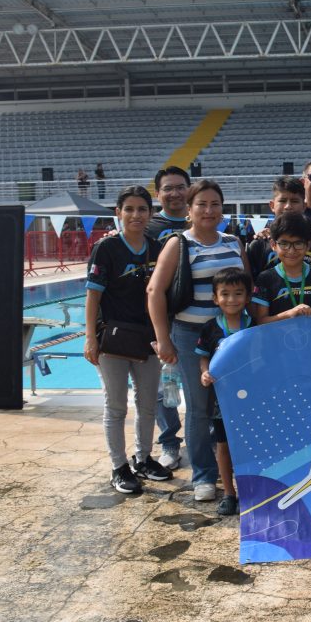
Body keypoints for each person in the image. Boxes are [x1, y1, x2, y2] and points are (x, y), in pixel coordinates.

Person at [147, 180, 250, 504]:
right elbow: (154, 291)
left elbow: (248, 287)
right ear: (189, 210)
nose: (208, 210)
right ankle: (204, 475)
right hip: (192, 335)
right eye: (201, 204)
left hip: (231, 336)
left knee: (237, 403)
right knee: (200, 407)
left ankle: (236, 469)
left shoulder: (233, 242)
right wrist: (163, 338)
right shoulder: (179, 244)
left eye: (215, 204)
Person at [83, 185, 172, 494]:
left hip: (147, 338)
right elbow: (93, 296)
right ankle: (118, 466)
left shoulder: (157, 248)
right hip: (113, 340)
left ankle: (143, 459)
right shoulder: (106, 248)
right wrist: (90, 338)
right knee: (116, 406)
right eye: (129, 209)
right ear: (118, 213)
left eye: (142, 209)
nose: (136, 215)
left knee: (147, 404)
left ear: (150, 213)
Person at [197, 267, 254, 516]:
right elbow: (204, 358)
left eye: (238, 293)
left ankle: (251, 491)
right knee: (224, 446)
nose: (232, 299)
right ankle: (229, 494)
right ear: (215, 298)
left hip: (252, 397)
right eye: (225, 294)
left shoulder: (254, 325)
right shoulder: (210, 328)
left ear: (248, 297)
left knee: (250, 445)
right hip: (222, 401)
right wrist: (205, 373)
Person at [145, 166, 192, 470]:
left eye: (180, 187)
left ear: (189, 189)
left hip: (197, 316)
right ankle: (169, 442)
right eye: (168, 188)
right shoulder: (148, 228)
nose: (175, 193)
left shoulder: (203, 219)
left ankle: (209, 440)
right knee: (164, 388)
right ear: (158, 193)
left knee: (204, 382)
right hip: (161, 316)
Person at [245, 177, 311, 290]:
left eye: (294, 201)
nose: (288, 206)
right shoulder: (258, 245)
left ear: (304, 206)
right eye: (282, 201)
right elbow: (249, 288)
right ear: (272, 205)